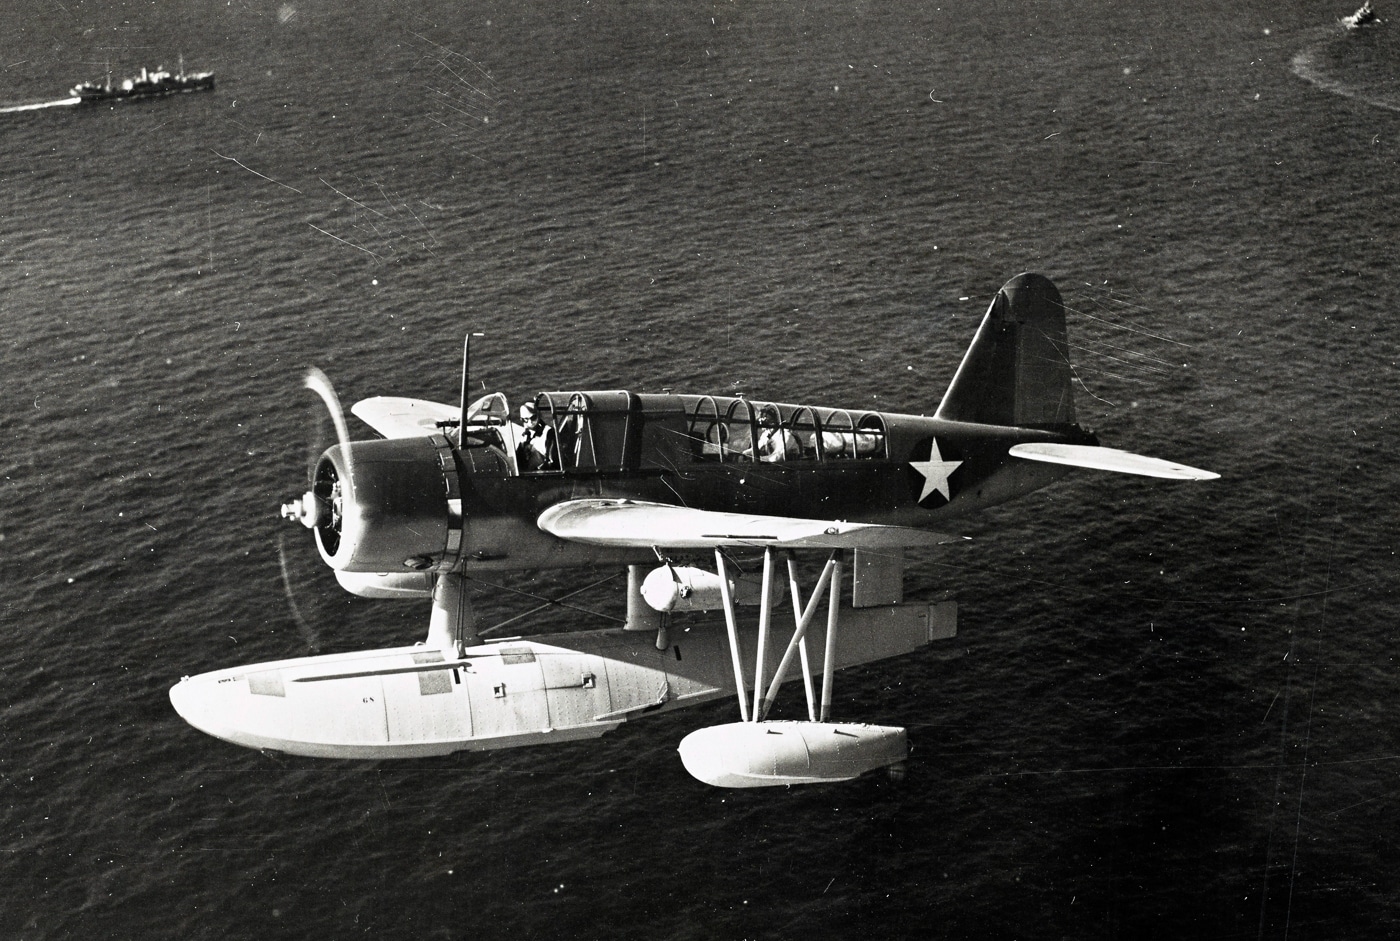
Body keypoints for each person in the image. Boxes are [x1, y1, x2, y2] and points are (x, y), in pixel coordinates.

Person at [516, 401, 557, 472]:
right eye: (526, 419)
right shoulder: (524, 436)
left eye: (533, 418)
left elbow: (552, 461)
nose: (530, 422)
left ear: (538, 416)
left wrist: (537, 470)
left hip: (543, 476)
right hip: (528, 474)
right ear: (522, 419)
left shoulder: (548, 432)